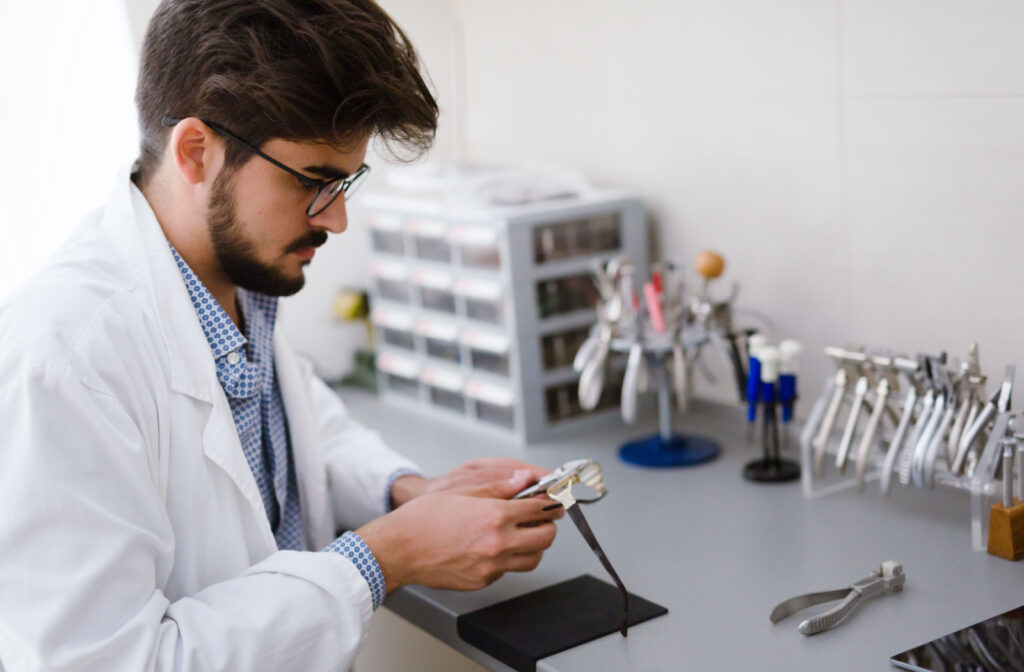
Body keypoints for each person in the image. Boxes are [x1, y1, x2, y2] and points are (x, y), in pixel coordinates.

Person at [0, 1, 561, 669]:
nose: (339, 219)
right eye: (317, 183)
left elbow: (295, 427)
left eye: (348, 182)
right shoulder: (64, 360)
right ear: (196, 152)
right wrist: (388, 553)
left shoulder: (228, 281)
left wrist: (405, 491)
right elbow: (115, 661)